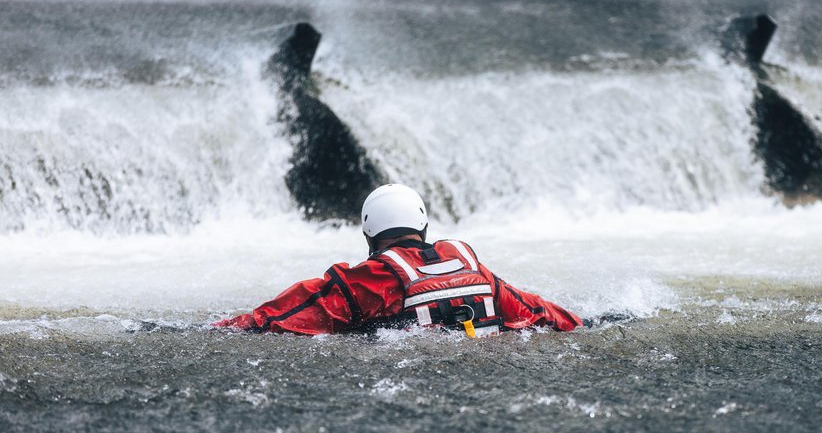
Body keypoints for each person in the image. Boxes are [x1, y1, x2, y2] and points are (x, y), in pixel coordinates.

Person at [214, 184, 582, 336]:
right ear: (423, 226)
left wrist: (221, 329)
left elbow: (275, 319)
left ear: (369, 233)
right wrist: (582, 323)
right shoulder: (473, 268)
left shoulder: (367, 279)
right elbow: (537, 311)